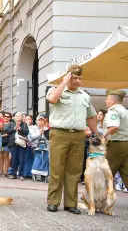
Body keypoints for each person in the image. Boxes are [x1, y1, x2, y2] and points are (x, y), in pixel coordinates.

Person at [46, 65, 98, 214]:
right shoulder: (56, 90)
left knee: (74, 170)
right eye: (74, 78)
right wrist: (63, 82)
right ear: (68, 77)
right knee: (57, 169)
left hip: (78, 135)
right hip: (59, 133)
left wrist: (96, 133)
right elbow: (52, 99)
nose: (77, 81)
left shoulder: (84, 96)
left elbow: (91, 116)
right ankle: (53, 202)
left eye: (80, 78)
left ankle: (70, 203)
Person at [104, 89, 128, 190]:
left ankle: (101, 200)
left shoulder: (114, 111)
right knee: (126, 173)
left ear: (113, 101)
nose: (105, 101)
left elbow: (114, 127)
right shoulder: (125, 111)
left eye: (107, 99)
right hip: (125, 144)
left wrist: (103, 137)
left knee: (106, 173)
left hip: (115, 145)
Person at [6, 112, 29, 180]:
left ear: (22, 118)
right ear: (14, 117)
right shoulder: (11, 123)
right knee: (14, 159)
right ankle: (13, 174)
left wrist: (20, 129)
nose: (17, 117)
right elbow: (7, 131)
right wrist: (14, 128)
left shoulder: (24, 124)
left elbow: (27, 132)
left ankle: (21, 175)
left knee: (21, 159)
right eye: (16, 116)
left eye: (18, 116)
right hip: (13, 144)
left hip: (21, 144)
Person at [30, 114, 49, 182]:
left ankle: (45, 175)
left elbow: (48, 139)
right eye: (39, 120)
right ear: (36, 121)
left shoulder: (47, 129)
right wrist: (40, 133)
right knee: (38, 159)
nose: (40, 122)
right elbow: (32, 137)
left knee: (46, 159)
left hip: (46, 147)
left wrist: (45, 133)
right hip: (36, 146)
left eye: (42, 120)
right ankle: (37, 175)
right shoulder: (33, 128)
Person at [21, 115, 35, 180]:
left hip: (31, 145)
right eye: (26, 119)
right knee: (25, 159)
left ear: (31, 120)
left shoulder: (33, 128)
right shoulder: (23, 127)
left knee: (31, 159)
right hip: (24, 144)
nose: (27, 120)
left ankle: (30, 173)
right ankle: (25, 173)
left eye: (29, 119)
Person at [0, 112, 12, 176]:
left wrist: (0, 136)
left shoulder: (11, 124)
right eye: (5, 116)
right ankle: (1, 171)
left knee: (6, 157)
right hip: (0, 142)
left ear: (10, 118)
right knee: (0, 157)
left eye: (8, 116)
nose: (6, 117)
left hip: (7, 142)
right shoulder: (1, 123)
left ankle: (6, 172)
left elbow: (9, 133)